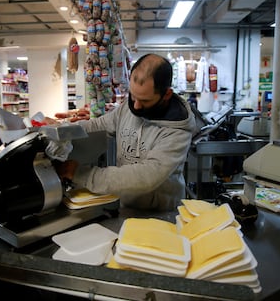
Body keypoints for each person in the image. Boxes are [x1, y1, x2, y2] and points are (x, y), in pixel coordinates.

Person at [62, 53, 196, 211]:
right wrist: (61, 132)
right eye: (133, 96)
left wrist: (80, 174)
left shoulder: (177, 130)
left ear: (166, 94)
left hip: (161, 214)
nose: (136, 106)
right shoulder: (129, 107)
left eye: (145, 100)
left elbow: (146, 176)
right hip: (126, 207)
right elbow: (98, 126)